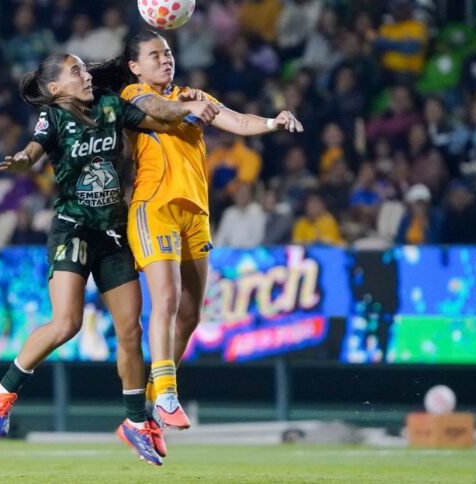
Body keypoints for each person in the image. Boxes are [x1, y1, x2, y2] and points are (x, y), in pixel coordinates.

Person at [0, 53, 216, 466]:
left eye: (84, 68)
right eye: (75, 72)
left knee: (130, 330)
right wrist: (23, 159)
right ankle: (3, 390)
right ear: (56, 89)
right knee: (67, 323)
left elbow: (157, 119)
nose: (85, 75)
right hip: (73, 227)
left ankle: (135, 423)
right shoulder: (53, 117)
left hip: (113, 232)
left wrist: (189, 110)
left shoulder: (110, 105)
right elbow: (35, 147)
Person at [89, 30, 302, 433]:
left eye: (167, 53)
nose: (165, 60)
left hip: (195, 213)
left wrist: (274, 122)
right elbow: (160, 108)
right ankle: (168, 394)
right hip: (155, 208)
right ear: (135, 66)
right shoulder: (133, 95)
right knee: (166, 298)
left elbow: (236, 120)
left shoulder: (193, 94)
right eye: (154, 55)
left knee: (190, 313)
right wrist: (187, 109)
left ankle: (149, 402)